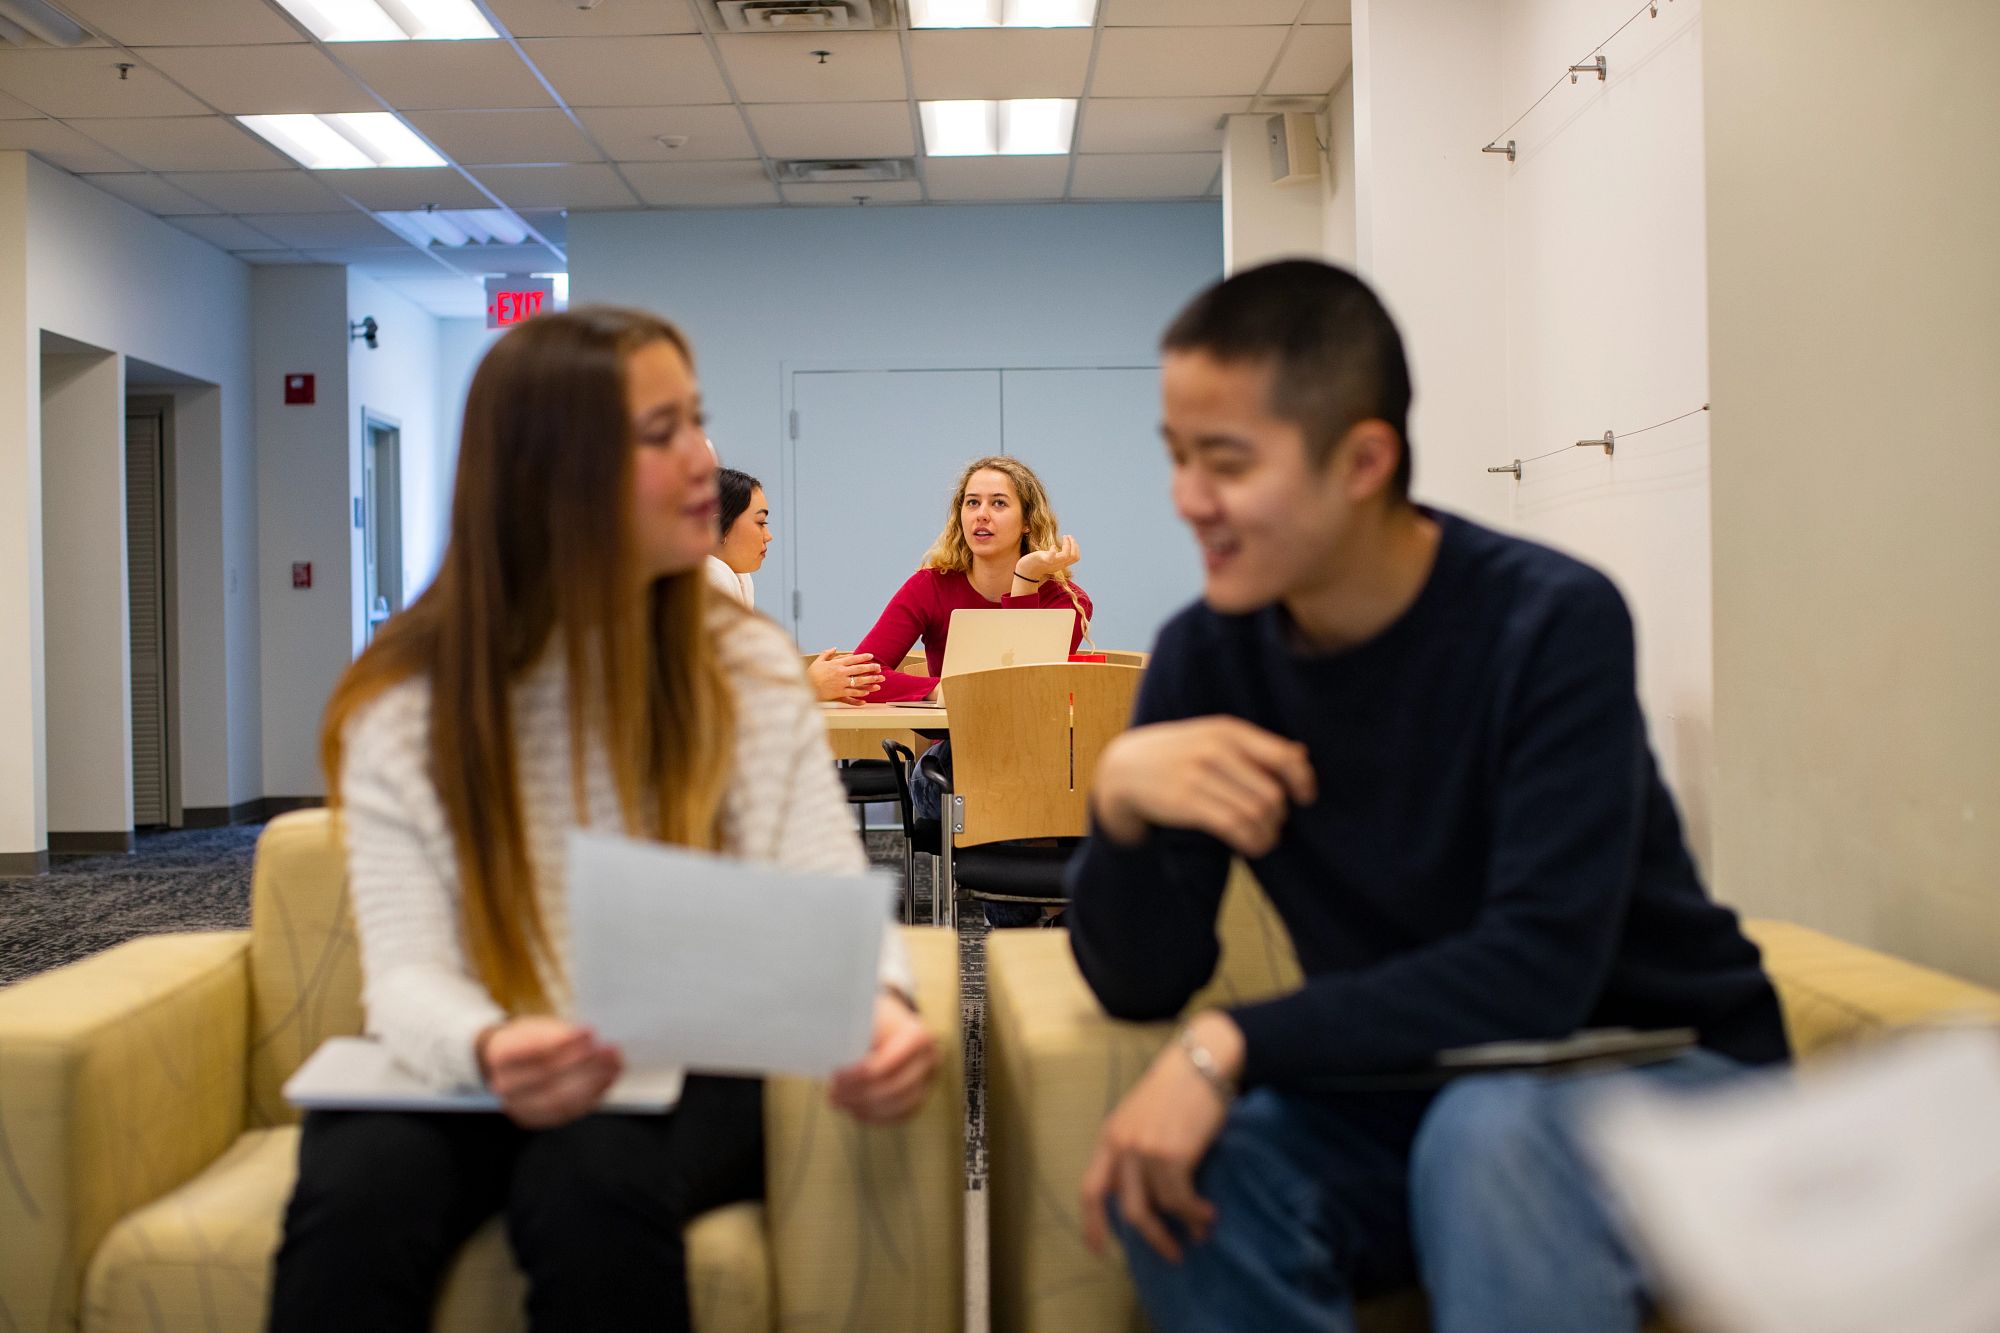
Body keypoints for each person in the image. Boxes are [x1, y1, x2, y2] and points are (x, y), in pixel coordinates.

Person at [1067, 260, 1789, 1333]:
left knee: (1487, 1133)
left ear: (1363, 459)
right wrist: (1118, 808)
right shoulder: (1203, 657)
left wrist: (1228, 1044)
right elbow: (1141, 983)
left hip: (1663, 1072)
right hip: (1420, 1085)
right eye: (1175, 456)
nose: (1186, 499)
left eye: (1224, 461)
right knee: (1180, 1182)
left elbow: (1535, 974)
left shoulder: (1548, 622)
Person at [270, 308, 939, 1333]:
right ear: (548, 472)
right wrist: (490, 1046)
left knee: (590, 1168)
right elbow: (403, 974)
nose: (703, 464)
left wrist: (879, 1003)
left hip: (690, 1054)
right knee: (359, 1184)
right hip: (483, 1046)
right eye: (658, 431)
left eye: (695, 421)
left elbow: (821, 889)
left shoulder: (743, 666)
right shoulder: (406, 699)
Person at [854, 454, 1094, 926]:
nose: (980, 514)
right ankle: (1034, 929)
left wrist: (1025, 581)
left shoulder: (1067, 600)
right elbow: (864, 672)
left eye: (998, 503)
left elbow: (1021, 686)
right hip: (952, 769)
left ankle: (1023, 931)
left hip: (1037, 766)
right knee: (998, 787)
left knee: (1038, 782)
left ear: (1028, 520)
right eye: (972, 502)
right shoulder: (929, 587)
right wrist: (938, 691)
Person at [708, 465, 881, 703]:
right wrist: (809, 686)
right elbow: (723, 698)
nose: (768, 535)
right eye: (760, 522)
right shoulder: (711, 577)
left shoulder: (735, 579)